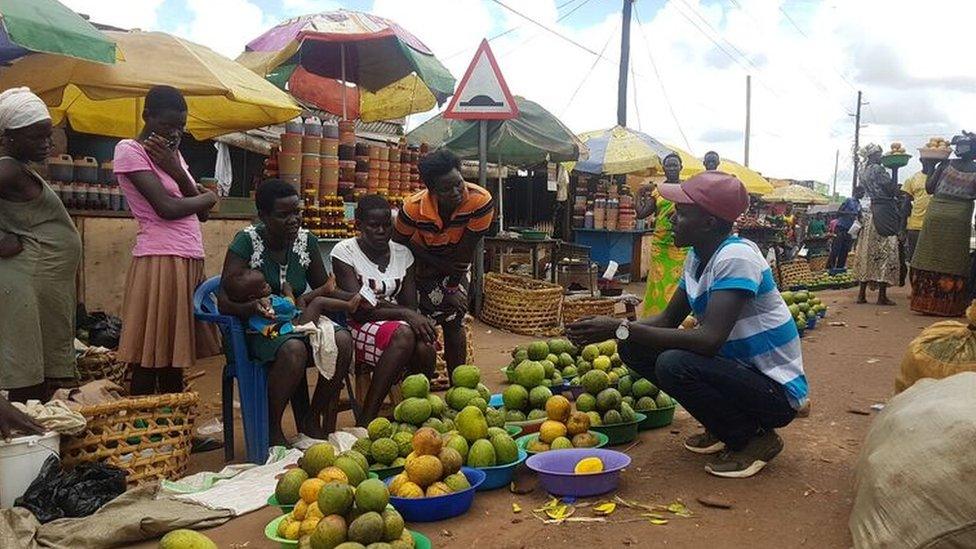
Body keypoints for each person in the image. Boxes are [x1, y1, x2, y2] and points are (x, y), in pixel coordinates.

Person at [567, 172, 804, 478]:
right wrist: (616, 331)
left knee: (674, 363)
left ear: (708, 223)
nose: (671, 220)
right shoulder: (697, 256)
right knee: (634, 347)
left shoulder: (737, 257)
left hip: (774, 392)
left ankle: (754, 438)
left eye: (681, 213)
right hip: (740, 375)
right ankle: (724, 427)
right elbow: (668, 320)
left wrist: (614, 328)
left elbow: (709, 340)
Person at [218, 179, 354, 444]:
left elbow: (322, 288)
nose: (294, 220)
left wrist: (355, 297)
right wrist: (251, 307)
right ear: (263, 216)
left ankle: (311, 420)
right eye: (284, 215)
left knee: (343, 341)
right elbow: (223, 300)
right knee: (294, 350)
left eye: (297, 212)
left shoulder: (306, 241)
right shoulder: (247, 242)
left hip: (298, 322)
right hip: (256, 329)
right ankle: (271, 427)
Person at [114, 85, 220, 396]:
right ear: (146, 116)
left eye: (181, 127)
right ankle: (143, 432)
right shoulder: (129, 150)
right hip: (161, 259)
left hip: (187, 257)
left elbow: (203, 215)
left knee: (175, 356)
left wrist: (178, 172)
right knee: (151, 354)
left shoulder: (173, 156)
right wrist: (209, 196)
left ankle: (175, 429)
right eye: (167, 125)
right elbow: (168, 208)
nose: (175, 133)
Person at [0, 88, 81, 402]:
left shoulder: (17, 168)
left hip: (38, 285)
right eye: (37, 137)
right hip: (26, 282)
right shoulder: (7, 168)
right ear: (9, 137)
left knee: (36, 375)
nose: (47, 143)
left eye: (48, 135)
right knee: (26, 378)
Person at [332, 195, 437, 422]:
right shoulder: (344, 252)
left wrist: (397, 310)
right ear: (358, 225)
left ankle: (416, 412)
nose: (381, 231)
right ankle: (368, 416)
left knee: (426, 345)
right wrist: (404, 313)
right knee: (405, 333)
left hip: (395, 326)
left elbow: (410, 304)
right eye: (373, 225)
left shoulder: (402, 254)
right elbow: (358, 309)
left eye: (386, 225)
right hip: (357, 327)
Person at [393, 149, 493, 377]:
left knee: (453, 319)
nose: (457, 192)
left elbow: (464, 254)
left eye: (459, 183)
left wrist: (451, 288)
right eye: (446, 189)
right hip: (416, 268)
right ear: (432, 190)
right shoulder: (412, 208)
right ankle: (420, 388)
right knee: (422, 330)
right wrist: (434, 263)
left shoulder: (480, 201)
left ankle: (458, 386)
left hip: (454, 266)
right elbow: (399, 245)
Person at [910, 132, 976, 317]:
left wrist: (931, 167)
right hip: (960, 217)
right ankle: (949, 307)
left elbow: (930, 188)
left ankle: (925, 303)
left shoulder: (945, 164)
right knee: (953, 260)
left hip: (936, 213)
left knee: (928, 255)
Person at [224, 269, 361, 339]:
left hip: (293, 317)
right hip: (297, 324)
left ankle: (325, 289)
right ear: (252, 296)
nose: (268, 286)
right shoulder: (268, 304)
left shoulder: (256, 310)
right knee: (318, 302)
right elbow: (289, 305)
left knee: (302, 299)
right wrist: (288, 292)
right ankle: (349, 305)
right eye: (264, 286)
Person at [637, 153, 687, 316]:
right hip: (661, 244)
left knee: (680, 281)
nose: (672, 168)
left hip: (682, 244)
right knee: (658, 282)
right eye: (668, 165)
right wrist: (639, 193)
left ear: (681, 167)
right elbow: (642, 213)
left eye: (675, 165)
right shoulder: (658, 191)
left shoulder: (687, 189)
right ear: (663, 169)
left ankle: (678, 317)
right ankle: (655, 316)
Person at [853, 144, 900, 306]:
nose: (881, 157)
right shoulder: (879, 170)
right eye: (879, 154)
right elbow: (892, 190)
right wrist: (894, 170)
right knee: (886, 251)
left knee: (867, 253)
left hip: (870, 213)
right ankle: (881, 296)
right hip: (884, 212)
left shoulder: (863, 171)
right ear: (873, 155)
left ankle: (861, 294)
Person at [901, 170, 930, 276]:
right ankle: (915, 289)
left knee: (931, 261)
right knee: (914, 260)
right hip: (915, 225)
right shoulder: (912, 179)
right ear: (921, 160)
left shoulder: (940, 177)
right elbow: (906, 205)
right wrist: (902, 228)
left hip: (934, 226)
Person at [827, 187, 863, 270]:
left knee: (845, 250)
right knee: (836, 249)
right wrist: (849, 214)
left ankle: (840, 268)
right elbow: (838, 212)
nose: (863, 195)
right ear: (856, 192)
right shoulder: (848, 200)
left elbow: (860, 216)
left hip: (850, 230)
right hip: (841, 228)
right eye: (862, 193)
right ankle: (829, 268)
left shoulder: (858, 204)